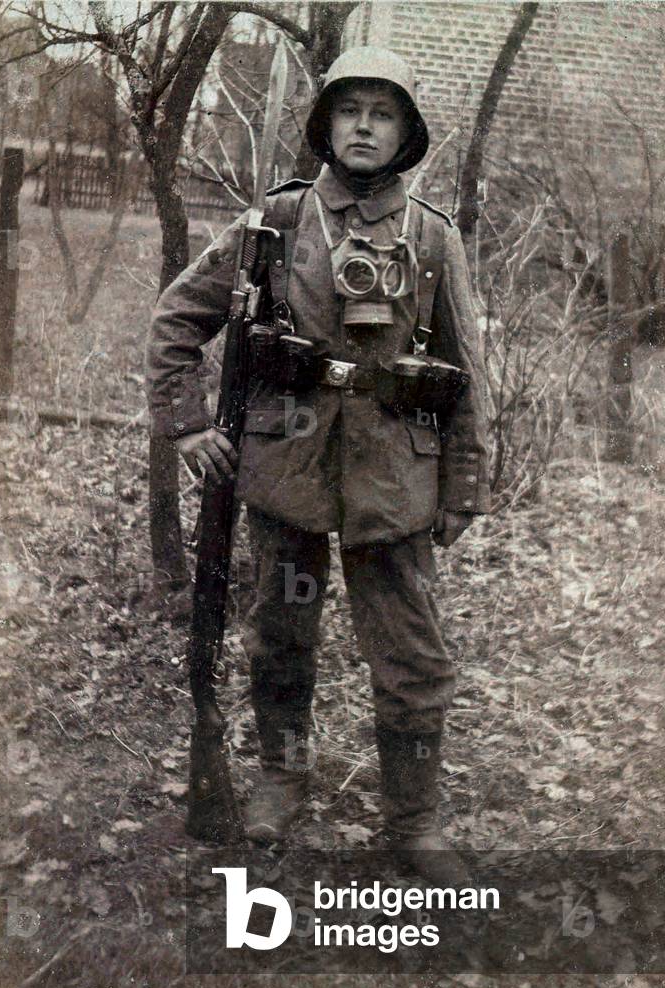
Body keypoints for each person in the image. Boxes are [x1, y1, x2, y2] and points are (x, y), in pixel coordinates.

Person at [145, 46, 491, 886]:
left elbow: (470, 370)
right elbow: (177, 319)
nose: (364, 125)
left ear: (405, 133)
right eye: (349, 110)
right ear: (326, 124)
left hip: (394, 482)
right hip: (288, 468)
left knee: (412, 657)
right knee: (281, 638)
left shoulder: (433, 237)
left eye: (382, 112)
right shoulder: (279, 222)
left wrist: (464, 483)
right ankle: (281, 778)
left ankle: (412, 821)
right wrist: (188, 428)